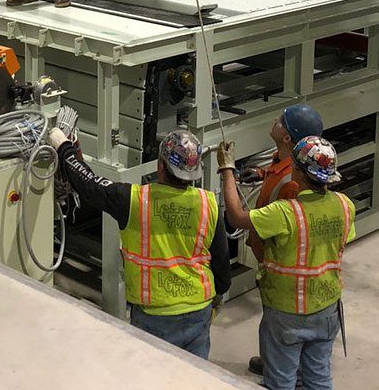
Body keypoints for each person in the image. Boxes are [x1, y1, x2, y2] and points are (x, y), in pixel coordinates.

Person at [48, 112, 230, 359]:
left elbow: (88, 184)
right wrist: (215, 297)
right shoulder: (209, 204)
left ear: (160, 165)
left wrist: (64, 148)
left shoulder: (133, 200)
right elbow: (221, 266)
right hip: (199, 309)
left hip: (154, 316)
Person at [218, 133, 355, 390]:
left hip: (288, 312)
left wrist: (227, 169)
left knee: (281, 381)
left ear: (299, 175)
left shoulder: (285, 213)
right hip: (327, 307)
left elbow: (236, 217)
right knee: (318, 377)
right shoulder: (345, 205)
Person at [243, 104, 324, 377]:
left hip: (280, 268)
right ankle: (274, 360)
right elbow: (276, 169)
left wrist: (228, 172)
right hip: (268, 260)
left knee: (279, 322)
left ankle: (286, 371)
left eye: (280, 120)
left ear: (288, 137)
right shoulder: (286, 160)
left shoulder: (293, 183)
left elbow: (282, 229)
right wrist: (260, 174)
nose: (275, 121)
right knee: (270, 322)